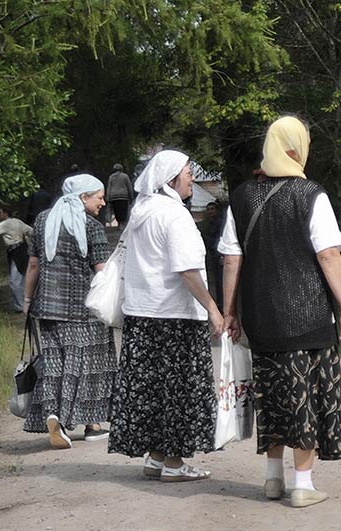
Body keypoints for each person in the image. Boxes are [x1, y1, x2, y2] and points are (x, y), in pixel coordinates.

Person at [220, 115, 341, 508]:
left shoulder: (241, 196)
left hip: (261, 317)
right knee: (307, 397)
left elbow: (232, 259)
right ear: (297, 150)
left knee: (274, 394)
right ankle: (303, 484)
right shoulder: (311, 194)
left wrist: (230, 311)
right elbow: (329, 255)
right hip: (309, 316)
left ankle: (272, 479)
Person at [108, 150, 223, 482]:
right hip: (175, 315)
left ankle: (155, 457)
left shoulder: (142, 211)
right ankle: (174, 462)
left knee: (153, 389)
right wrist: (213, 309)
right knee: (179, 389)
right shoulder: (174, 215)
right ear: (171, 178)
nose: (191, 178)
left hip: (142, 315)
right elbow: (187, 270)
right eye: (187, 172)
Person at [22, 174, 117, 449]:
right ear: (83, 197)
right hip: (84, 310)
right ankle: (92, 425)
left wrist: (27, 301)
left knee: (54, 364)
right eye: (99, 196)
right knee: (88, 365)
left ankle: (55, 416)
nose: (103, 202)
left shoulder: (42, 222)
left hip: (48, 308)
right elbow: (102, 271)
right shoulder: (91, 226)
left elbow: (33, 266)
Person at [198, 201, 225, 308]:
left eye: (212, 209)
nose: (210, 212)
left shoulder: (221, 223)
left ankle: (222, 305)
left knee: (222, 281)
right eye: (208, 210)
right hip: (211, 255)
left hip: (220, 254)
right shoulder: (205, 224)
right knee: (214, 281)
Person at [106, 163, 134, 229]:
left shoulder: (111, 177)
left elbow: (109, 187)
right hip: (123, 196)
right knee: (123, 210)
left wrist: (108, 197)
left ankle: (119, 223)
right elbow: (129, 187)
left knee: (116, 210)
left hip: (114, 196)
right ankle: (122, 224)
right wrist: (131, 197)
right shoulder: (125, 176)